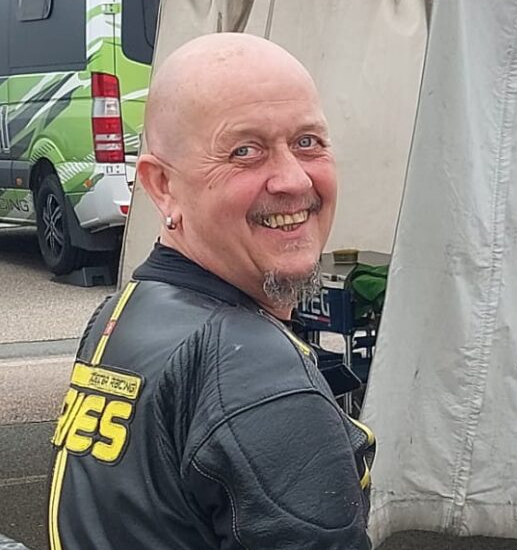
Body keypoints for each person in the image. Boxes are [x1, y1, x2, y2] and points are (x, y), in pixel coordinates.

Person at [48, 33, 374, 549]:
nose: (293, 180)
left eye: (308, 142)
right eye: (245, 151)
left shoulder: (122, 314)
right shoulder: (262, 378)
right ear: (162, 186)